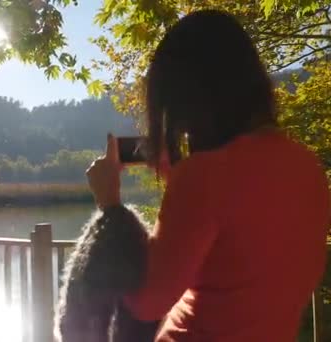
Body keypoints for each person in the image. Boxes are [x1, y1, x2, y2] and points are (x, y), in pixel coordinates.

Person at [86, 10, 329, 342]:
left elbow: (146, 302)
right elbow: (233, 261)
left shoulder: (205, 176)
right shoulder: (308, 167)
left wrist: (110, 206)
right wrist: (180, 183)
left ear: (190, 99)